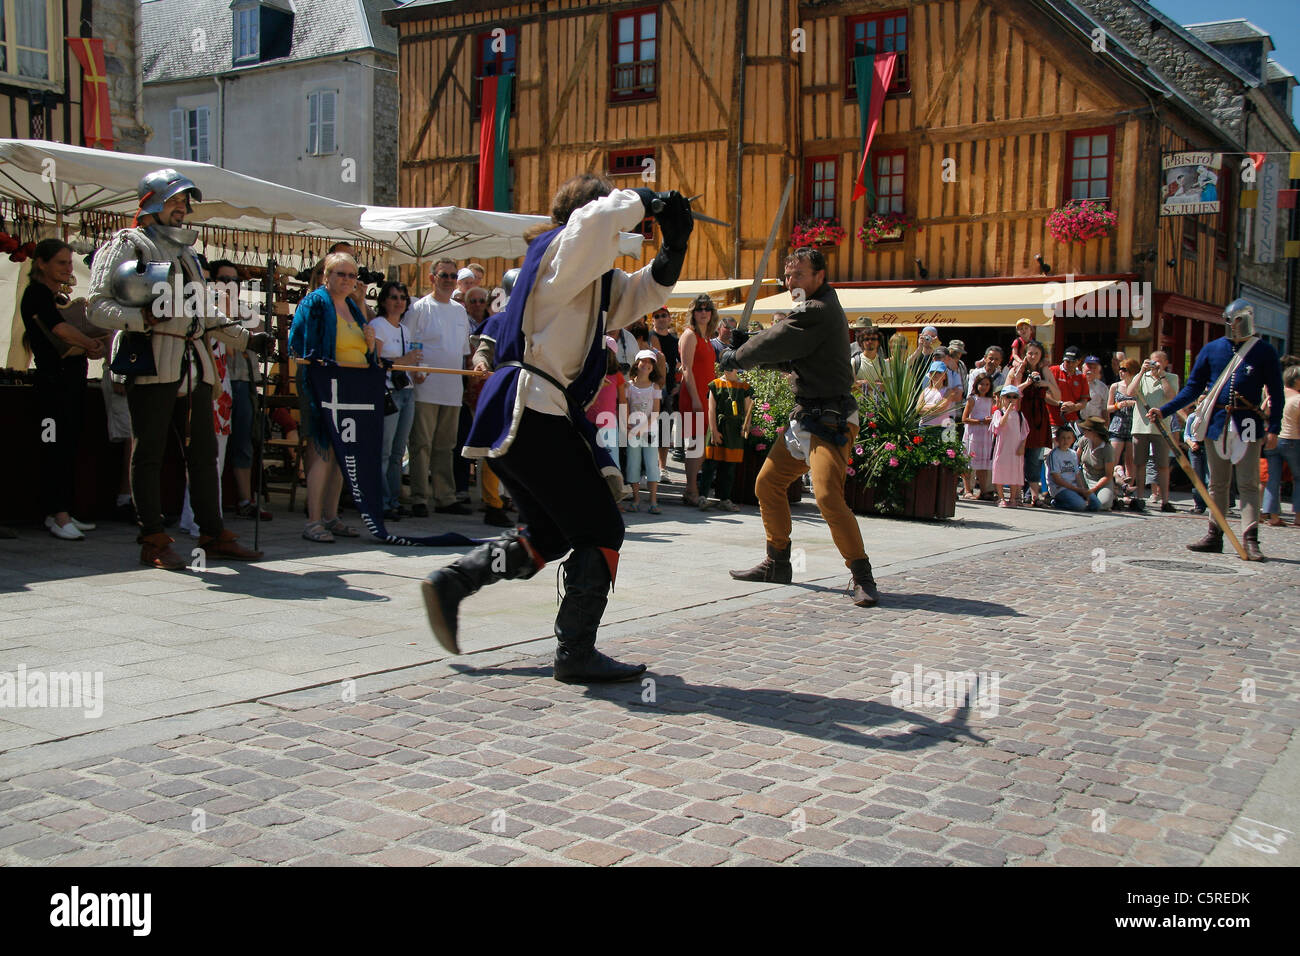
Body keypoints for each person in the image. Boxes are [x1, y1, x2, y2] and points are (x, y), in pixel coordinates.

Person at [423, 176, 690, 682]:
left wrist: (674, 245)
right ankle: (575, 653)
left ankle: (454, 582)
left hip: (527, 412)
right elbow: (594, 222)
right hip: (533, 408)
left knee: (547, 534)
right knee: (601, 528)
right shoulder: (562, 248)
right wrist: (645, 199)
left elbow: (641, 292)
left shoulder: (580, 273)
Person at [88, 168, 265, 568]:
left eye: (186, 202)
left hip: (194, 363)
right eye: (175, 201)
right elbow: (97, 306)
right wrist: (141, 319)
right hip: (150, 360)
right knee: (148, 452)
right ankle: (152, 538)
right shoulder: (127, 244)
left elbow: (207, 310)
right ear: (151, 202)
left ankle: (212, 533)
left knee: (203, 455)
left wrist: (246, 338)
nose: (183, 209)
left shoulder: (187, 254)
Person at [719, 247, 879, 607]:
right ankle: (777, 561)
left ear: (820, 276)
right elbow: (791, 356)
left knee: (826, 497)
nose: (791, 283)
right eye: (787, 276)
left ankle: (862, 574)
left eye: (799, 275)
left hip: (831, 419)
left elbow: (781, 338)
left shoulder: (818, 309)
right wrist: (753, 351)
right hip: (806, 416)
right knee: (768, 484)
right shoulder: (811, 310)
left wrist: (738, 355)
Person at [1150, 299, 1285, 559]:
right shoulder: (1212, 349)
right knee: (1217, 484)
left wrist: (1274, 427)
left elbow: (1276, 392)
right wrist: (1165, 410)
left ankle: (1250, 538)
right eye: (1229, 320)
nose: (1233, 326)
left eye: (1237, 321)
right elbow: (1193, 388)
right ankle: (1215, 534)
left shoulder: (1264, 351)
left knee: (1247, 483)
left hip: (1247, 422)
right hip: (1216, 423)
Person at [289, 251, 377, 542]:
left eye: (352, 275)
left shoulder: (353, 305)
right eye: (341, 274)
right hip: (323, 387)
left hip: (351, 388)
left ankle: (331, 516)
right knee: (322, 452)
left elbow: (364, 350)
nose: (347, 280)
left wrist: (370, 343)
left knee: (341, 455)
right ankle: (313, 520)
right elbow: (301, 343)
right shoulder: (315, 301)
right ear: (325, 276)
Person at [22, 239, 102, 540]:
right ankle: (57, 513)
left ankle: (63, 510)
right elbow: (58, 329)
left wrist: (90, 345)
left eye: (69, 263)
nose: (68, 268)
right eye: (61, 263)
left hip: (70, 381)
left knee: (68, 446)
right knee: (54, 447)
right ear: (41, 263)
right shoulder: (36, 293)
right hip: (51, 385)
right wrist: (89, 342)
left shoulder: (57, 296)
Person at [404, 258, 471, 517]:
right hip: (426, 386)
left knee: (446, 445)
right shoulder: (419, 308)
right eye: (444, 275)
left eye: (453, 276)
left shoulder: (459, 310)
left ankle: (445, 496)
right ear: (432, 277)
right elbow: (410, 342)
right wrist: (416, 372)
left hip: (452, 388)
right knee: (421, 444)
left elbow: (463, 351)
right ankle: (419, 497)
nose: (449, 280)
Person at [210, 261, 271, 522]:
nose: (230, 284)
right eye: (224, 279)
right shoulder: (204, 310)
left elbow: (256, 340)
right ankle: (209, 503)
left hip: (243, 380)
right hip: (215, 381)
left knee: (244, 441)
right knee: (211, 445)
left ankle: (246, 499)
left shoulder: (246, 310)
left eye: (235, 281)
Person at [370, 281, 422, 521]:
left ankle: (392, 499)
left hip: (407, 390)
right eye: (393, 297)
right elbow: (376, 362)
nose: (399, 301)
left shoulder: (404, 328)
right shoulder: (378, 325)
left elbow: (406, 362)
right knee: (384, 450)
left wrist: (417, 369)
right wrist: (406, 359)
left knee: (398, 452)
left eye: (402, 297)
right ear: (383, 301)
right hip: (387, 392)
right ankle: (381, 501)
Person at [1006, 340, 1060, 506]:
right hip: (1021, 414)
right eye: (1030, 353)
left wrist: (1046, 383)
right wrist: (1026, 381)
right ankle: (1017, 493)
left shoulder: (1044, 370)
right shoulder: (1017, 369)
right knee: (1018, 454)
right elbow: (1008, 392)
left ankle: (1033, 494)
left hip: (1038, 417)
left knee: (1035, 457)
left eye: (1036, 353)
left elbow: (1057, 396)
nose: (1033, 356)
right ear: (1025, 354)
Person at [678, 294, 719, 505]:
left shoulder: (707, 338)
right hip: (694, 396)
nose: (703, 312)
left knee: (701, 442)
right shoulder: (690, 335)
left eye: (707, 309)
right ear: (693, 313)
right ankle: (691, 490)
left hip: (706, 395)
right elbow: (686, 369)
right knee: (694, 443)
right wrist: (695, 399)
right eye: (699, 309)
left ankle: (691, 489)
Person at [1125, 350, 1179, 512]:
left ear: (1165, 363)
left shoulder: (1172, 378)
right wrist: (1142, 371)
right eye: (1152, 362)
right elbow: (1130, 392)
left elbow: (1171, 396)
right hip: (1141, 426)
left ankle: (1165, 499)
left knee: (1162, 465)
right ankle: (1140, 497)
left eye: (1158, 362)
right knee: (1139, 463)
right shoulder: (1143, 377)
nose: (1155, 365)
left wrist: (1161, 375)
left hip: (1161, 427)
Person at [698, 365, 754, 512]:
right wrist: (714, 431)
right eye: (726, 366)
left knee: (729, 467)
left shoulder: (744, 387)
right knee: (710, 464)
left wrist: (746, 425)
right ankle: (702, 497)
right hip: (718, 426)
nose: (729, 370)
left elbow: (748, 409)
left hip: (734, 430)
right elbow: (711, 410)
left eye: (732, 367)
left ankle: (725, 498)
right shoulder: (715, 385)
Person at [623, 349, 663, 513]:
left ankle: (653, 501)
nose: (646, 364)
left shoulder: (655, 387)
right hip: (633, 431)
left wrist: (642, 427)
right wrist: (629, 425)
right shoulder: (629, 386)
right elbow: (624, 406)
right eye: (643, 361)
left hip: (649, 432)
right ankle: (636, 499)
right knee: (633, 464)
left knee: (652, 463)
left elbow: (655, 411)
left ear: (653, 367)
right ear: (637, 363)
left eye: (650, 362)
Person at [1261, 365, 1300, 526]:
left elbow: (1262, 412)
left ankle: (1273, 516)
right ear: (1297, 380)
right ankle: (1298, 517)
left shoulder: (1274, 394)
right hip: (1292, 439)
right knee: (1298, 478)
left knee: (1273, 479)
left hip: (1272, 438)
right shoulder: (1298, 398)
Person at [649, 306, 679, 473]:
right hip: (648, 389)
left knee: (665, 429)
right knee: (649, 429)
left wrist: (678, 385)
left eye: (663, 315)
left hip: (667, 391)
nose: (661, 318)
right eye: (657, 316)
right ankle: (650, 466)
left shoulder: (675, 340)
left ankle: (662, 468)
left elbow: (681, 364)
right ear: (652, 319)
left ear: (669, 318)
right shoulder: (648, 338)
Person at [989, 384, 1028, 507]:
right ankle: (1001, 498)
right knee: (1000, 469)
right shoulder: (998, 413)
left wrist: (1022, 446)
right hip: (1002, 447)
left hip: (1015, 448)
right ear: (1002, 398)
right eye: (1008, 396)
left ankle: (1012, 498)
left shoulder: (1020, 415)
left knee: (1015, 471)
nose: (1011, 399)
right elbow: (1000, 424)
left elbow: (1025, 432)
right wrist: (1008, 411)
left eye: (1014, 397)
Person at [1046, 426, 1100, 511]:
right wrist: (1077, 489)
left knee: (1096, 504)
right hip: (1060, 489)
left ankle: (1076, 503)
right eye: (1063, 438)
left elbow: (1077, 474)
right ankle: (1056, 503)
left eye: (1068, 438)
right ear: (1057, 439)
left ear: (1073, 440)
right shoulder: (1054, 455)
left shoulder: (1073, 454)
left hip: (1074, 487)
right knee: (1080, 505)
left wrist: (1082, 490)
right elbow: (1057, 480)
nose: (1066, 441)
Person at [961, 372, 996, 500]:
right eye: (981, 384)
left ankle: (983, 490)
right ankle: (967, 489)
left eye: (987, 384)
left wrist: (991, 420)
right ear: (976, 385)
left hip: (985, 435)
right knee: (969, 463)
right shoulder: (972, 399)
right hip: (973, 434)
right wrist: (981, 421)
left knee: (983, 464)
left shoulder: (991, 400)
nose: (984, 387)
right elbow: (964, 419)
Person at [1107, 357, 1140, 489]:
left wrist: (1134, 403)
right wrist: (1118, 405)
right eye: (1120, 369)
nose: (1121, 372)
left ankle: (1128, 490)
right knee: (1113, 458)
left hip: (1133, 424)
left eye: (1124, 369)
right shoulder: (1115, 386)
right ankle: (1113, 488)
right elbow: (1107, 408)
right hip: (1118, 424)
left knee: (1130, 461)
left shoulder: (1138, 387)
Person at [1076, 416, 1122, 511]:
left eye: (1086, 429)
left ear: (1094, 432)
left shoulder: (1107, 449)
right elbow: (1075, 461)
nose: (1083, 431)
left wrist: (1094, 489)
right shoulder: (1084, 440)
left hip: (1100, 480)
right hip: (1084, 476)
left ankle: (1110, 495)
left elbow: (1108, 475)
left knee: (1103, 504)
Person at [1048, 346, 1089, 432]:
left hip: (1072, 422)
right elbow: (1044, 394)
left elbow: (1084, 401)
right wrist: (1060, 404)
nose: (1070, 364)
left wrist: (1074, 407)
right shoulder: (1053, 371)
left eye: (1073, 362)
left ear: (1079, 361)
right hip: (1052, 421)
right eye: (1067, 361)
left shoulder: (1082, 377)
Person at [850, 319, 885, 389]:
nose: (870, 341)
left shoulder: (882, 361)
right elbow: (852, 385)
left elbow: (885, 386)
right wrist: (875, 384)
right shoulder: (851, 348)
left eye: (873, 339)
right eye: (858, 331)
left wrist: (863, 383)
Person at [1080, 355, 1108, 422]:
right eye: (1089, 367)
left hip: (1095, 423)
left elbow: (1104, 409)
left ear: (1098, 370)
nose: (1091, 370)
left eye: (1094, 368)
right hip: (1077, 421)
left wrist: (1106, 425)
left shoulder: (1103, 387)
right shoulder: (1075, 383)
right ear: (1083, 368)